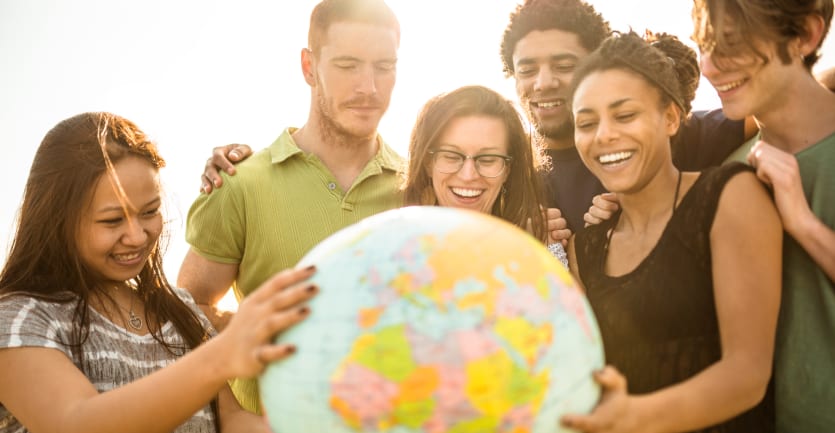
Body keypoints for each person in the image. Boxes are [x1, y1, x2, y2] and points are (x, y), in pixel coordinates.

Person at [0, 112, 318, 433]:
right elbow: (78, 423)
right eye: (112, 220)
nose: (137, 236)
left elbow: (231, 421)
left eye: (150, 212)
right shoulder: (19, 317)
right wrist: (222, 355)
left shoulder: (181, 311)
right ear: (57, 219)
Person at [178, 0, 404, 413]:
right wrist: (256, 333)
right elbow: (184, 314)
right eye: (348, 65)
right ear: (308, 67)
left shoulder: (418, 189)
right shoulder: (240, 183)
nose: (369, 87)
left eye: (384, 67)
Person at [560, 32, 782, 432]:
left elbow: (748, 373)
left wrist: (635, 418)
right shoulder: (586, 246)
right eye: (586, 123)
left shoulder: (729, 196)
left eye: (624, 115)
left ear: (671, 118)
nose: (603, 135)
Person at [692, 1, 835, 431]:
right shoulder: (731, 175)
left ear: (805, 36)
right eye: (705, 46)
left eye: (731, 44)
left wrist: (805, 226)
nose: (711, 66)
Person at [498, 0, 755, 232]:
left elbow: (766, 112)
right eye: (527, 70)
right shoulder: (503, 172)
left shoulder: (661, 135)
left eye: (564, 66)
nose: (543, 83)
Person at [401, 85, 567, 266]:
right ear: (427, 163)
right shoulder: (395, 248)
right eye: (451, 156)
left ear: (508, 169)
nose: (468, 175)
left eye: (488, 159)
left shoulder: (538, 247)